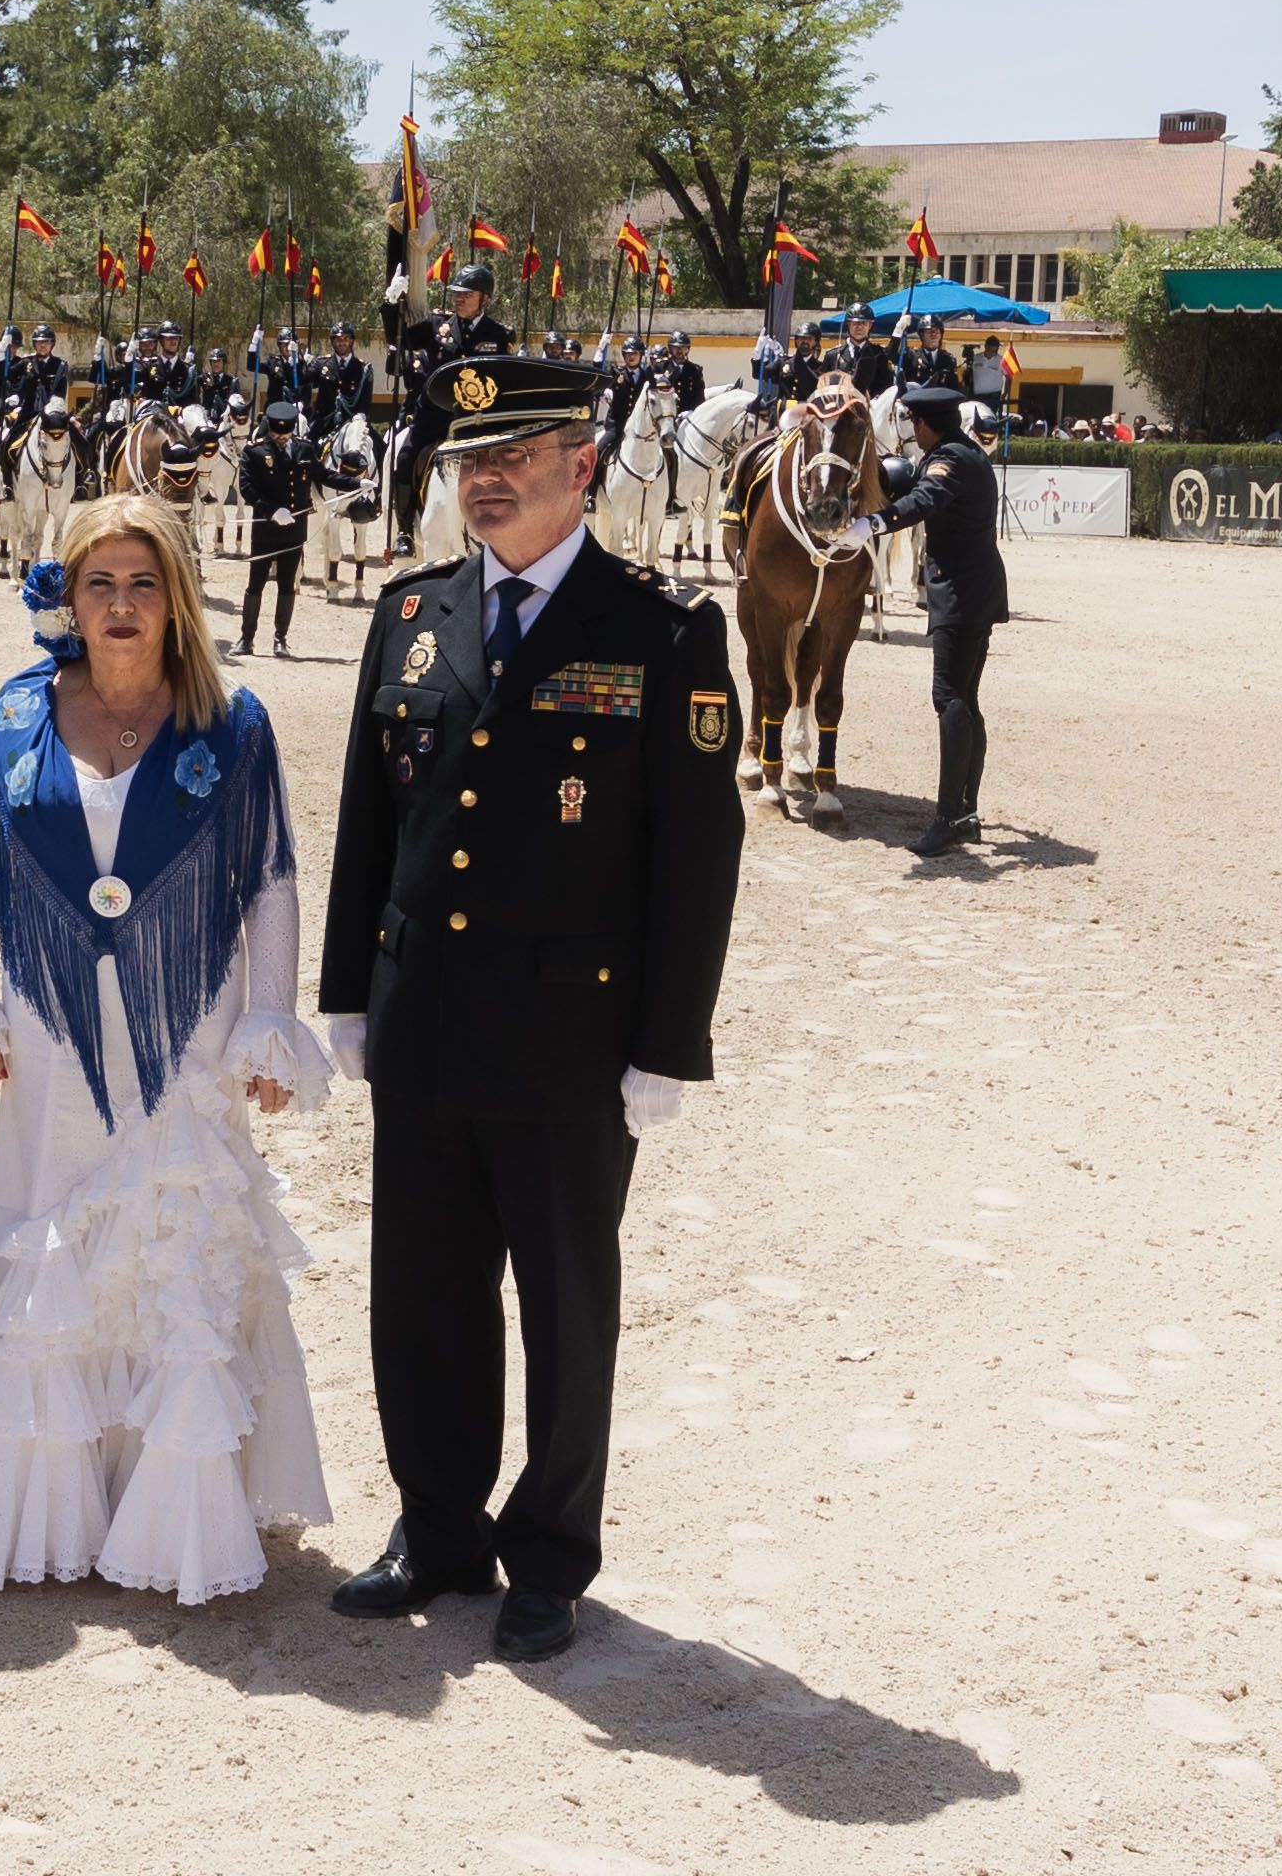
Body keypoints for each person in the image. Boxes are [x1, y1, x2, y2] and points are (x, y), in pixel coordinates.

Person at [317, 340, 745, 1665]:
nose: (485, 482)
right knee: (421, 1296)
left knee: (566, 1307)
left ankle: (549, 1555)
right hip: (429, 1015)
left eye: (512, 459)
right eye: (466, 462)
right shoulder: (410, 616)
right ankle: (436, 1525)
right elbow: (366, 823)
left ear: (582, 465)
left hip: (573, 1034)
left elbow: (696, 856)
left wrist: (668, 1045)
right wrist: (348, 994)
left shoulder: (662, 630)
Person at [0, 492, 333, 1601]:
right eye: (102, 583)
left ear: (179, 595)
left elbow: (272, 877)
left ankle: (166, 1505)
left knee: (172, 1243)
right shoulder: (14, 714)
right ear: (71, 598)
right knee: (49, 1223)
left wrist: (269, 1021)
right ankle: (50, 1503)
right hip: (49, 1028)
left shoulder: (233, 721)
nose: (124, 604)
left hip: (185, 1022)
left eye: (146, 583)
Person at [847, 384, 1012, 854]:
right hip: (975, 587)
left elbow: (926, 500)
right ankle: (966, 811)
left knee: (950, 698)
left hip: (961, 591)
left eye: (914, 424)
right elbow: (920, 487)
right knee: (966, 699)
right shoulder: (966, 451)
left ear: (923, 424)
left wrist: (874, 524)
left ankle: (948, 817)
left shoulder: (951, 459)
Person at [236, 401, 320, 659]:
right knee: (255, 585)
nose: (281, 437)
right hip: (266, 530)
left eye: (285, 433)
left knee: (286, 585)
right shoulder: (255, 452)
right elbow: (247, 488)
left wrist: (356, 482)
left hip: (294, 532)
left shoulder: (305, 449)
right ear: (269, 428)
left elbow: (324, 475)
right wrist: (271, 510)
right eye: (276, 433)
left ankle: (280, 639)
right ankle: (247, 638)